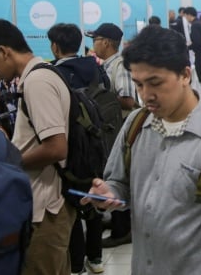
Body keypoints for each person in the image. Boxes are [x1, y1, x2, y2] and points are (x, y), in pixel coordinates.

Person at [82, 27, 201, 274]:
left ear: (185, 75)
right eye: (139, 85)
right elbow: (120, 184)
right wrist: (108, 193)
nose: (146, 95)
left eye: (155, 83)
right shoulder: (135, 125)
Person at [0, 19, 75, 275]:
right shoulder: (37, 76)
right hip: (44, 204)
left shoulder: (37, 82)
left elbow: (56, 148)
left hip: (45, 209)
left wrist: (7, 161)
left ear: (4, 51)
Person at [47, 23, 109, 274]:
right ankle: (95, 259)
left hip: (70, 145)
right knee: (93, 197)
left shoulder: (53, 75)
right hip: (96, 139)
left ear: (55, 46)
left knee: (71, 203)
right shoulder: (95, 67)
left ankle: (76, 263)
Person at [85, 22, 136, 248]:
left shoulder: (120, 66)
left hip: (120, 127)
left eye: (95, 39)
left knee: (120, 174)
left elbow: (128, 100)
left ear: (106, 42)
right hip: (110, 129)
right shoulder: (105, 65)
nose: (93, 44)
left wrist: (102, 101)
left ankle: (122, 229)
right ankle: (116, 219)